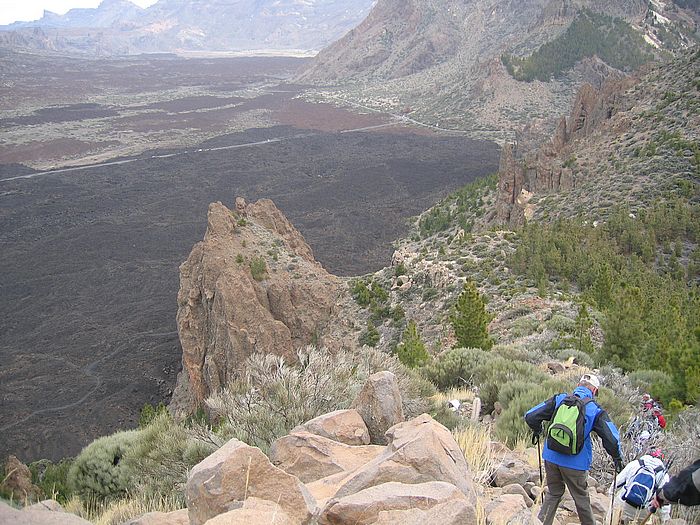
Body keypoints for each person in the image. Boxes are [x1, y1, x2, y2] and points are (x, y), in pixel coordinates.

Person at [525, 373, 623, 525]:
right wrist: (617, 457)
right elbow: (612, 439)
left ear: (578, 386)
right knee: (581, 499)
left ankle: (541, 522)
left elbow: (530, 416)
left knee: (554, 492)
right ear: (595, 391)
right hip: (575, 464)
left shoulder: (560, 399)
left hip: (551, 457)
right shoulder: (595, 409)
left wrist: (538, 430)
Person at [608, 449, 671, 524]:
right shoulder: (664, 475)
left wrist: (611, 498)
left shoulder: (634, 464)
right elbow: (664, 502)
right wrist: (664, 519)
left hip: (623, 506)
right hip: (643, 512)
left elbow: (616, 484)